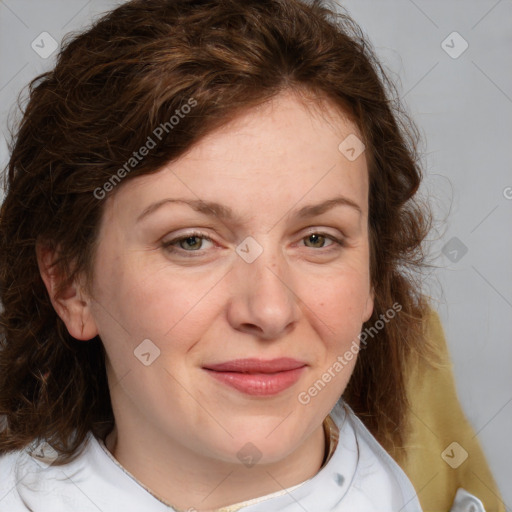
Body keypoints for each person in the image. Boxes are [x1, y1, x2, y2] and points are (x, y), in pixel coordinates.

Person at [0, 0, 502, 511]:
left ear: (372, 275)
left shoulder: (446, 477)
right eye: (192, 241)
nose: (269, 310)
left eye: (317, 239)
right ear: (70, 284)